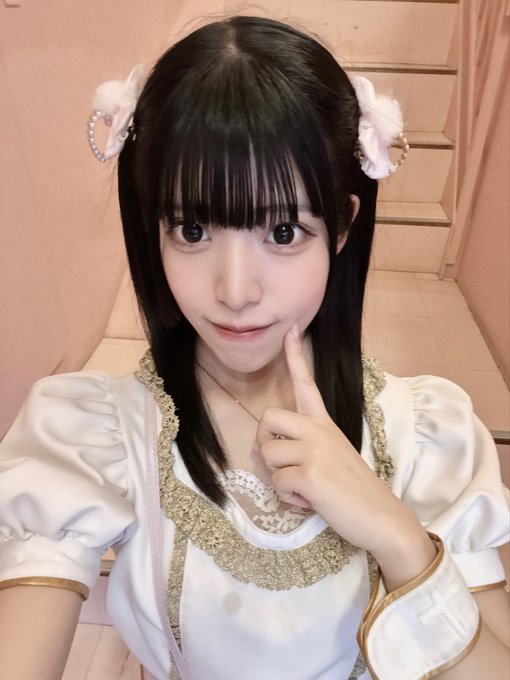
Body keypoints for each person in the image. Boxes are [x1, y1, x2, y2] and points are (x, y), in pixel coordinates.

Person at [0, 15, 508, 680]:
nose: (235, 292)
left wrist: (396, 533)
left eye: (284, 231)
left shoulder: (427, 440)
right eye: (192, 229)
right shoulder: (94, 437)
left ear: (343, 226)